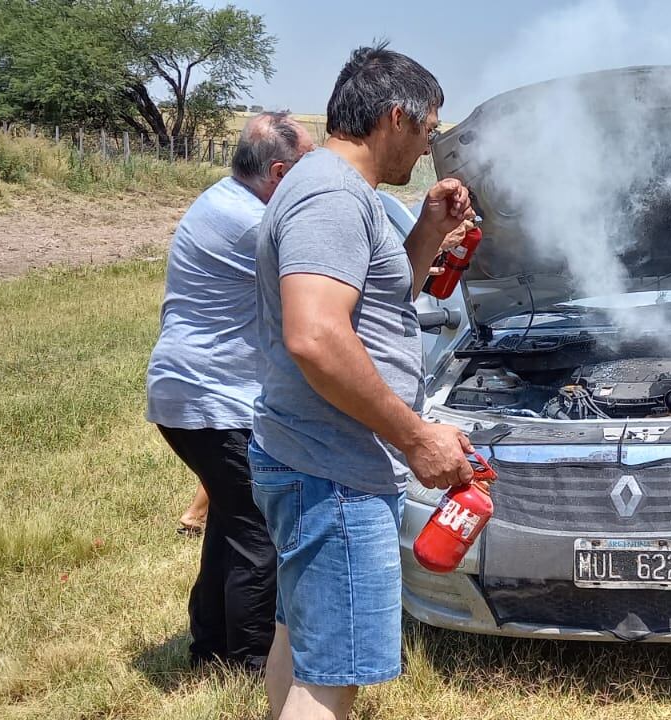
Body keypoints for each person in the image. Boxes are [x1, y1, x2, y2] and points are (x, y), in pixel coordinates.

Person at [250, 43, 475, 720]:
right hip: (335, 471)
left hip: (309, 455)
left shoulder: (343, 190)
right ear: (397, 118)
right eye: (430, 131)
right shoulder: (330, 196)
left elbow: (375, 304)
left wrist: (430, 231)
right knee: (333, 679)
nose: (428, 147)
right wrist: (414, 438)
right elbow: (316, 336)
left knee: (301, 642)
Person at [146, 112, 316, 670]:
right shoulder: (252, 224)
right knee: (257, 534)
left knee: (230, 519)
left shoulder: (224, 198)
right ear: (275, 171)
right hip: (212, 399)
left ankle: (209, 648)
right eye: (305, 168)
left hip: (187, 392)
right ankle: (246, 661)